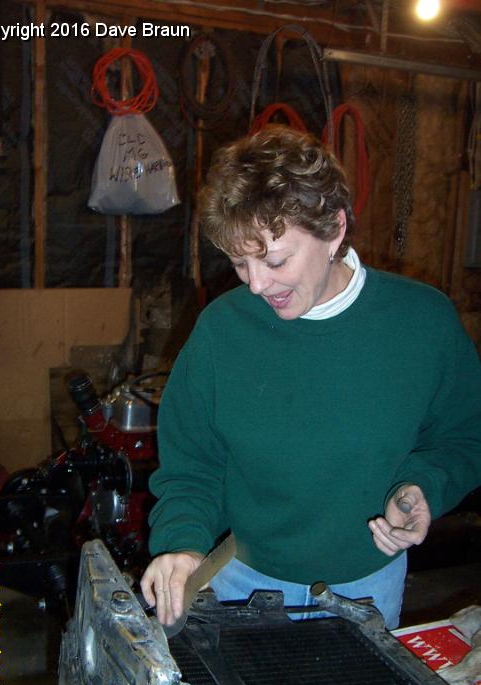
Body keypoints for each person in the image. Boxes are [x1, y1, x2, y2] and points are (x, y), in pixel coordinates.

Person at [140, 125, 481, 630]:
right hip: (240, 581)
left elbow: (464, 436)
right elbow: (192, 464)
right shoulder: (221, 329)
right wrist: (182, 544)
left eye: (275, 260)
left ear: (334, 231)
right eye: (240, 263)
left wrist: (422, 489)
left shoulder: (421, 323)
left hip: (366, 589)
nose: (256, 284)